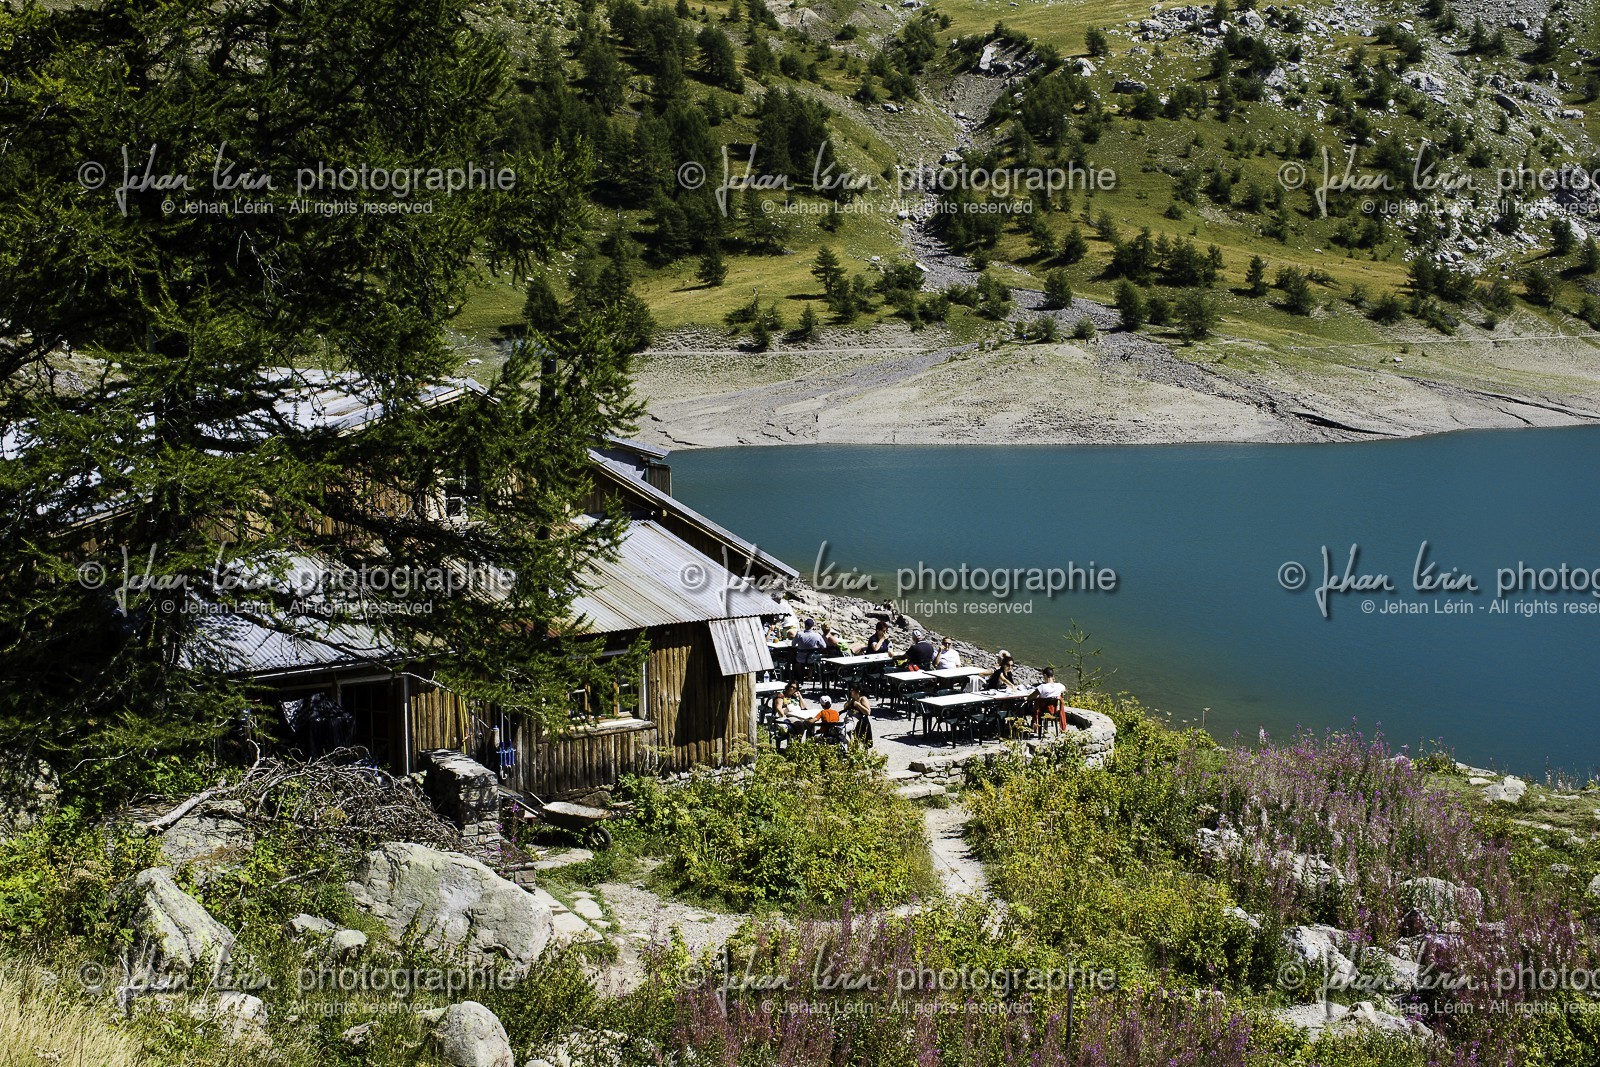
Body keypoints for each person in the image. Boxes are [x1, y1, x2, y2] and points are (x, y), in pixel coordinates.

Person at [1033, 666, 1068, 735]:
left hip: (1042, 711)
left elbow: (1032, 696)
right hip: (1054, 711)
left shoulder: (1042, 687)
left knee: (1030, 707)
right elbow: (1064, 691)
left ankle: (1034, 726)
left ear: (1045, 675)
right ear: (1053, 676)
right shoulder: (1060, 686)